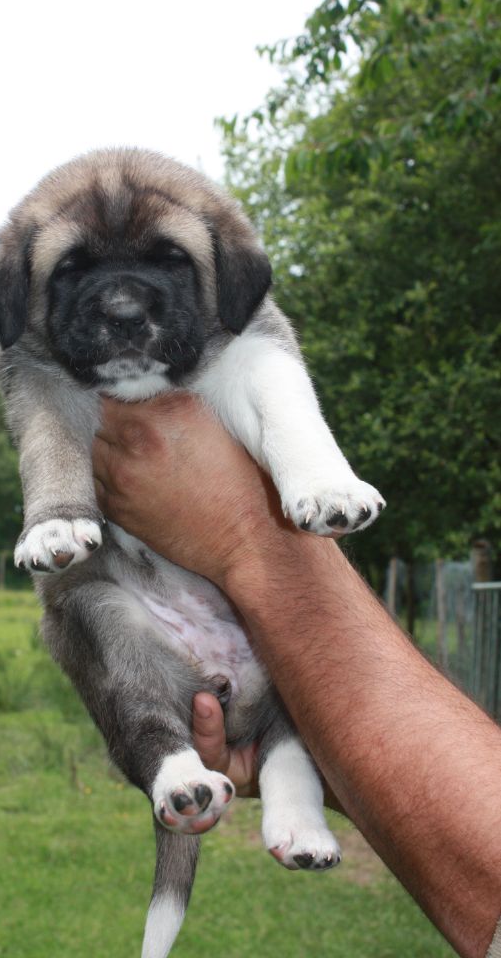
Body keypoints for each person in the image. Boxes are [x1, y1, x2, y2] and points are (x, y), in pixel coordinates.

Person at [91, 392, 501, 958]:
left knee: (281, 713)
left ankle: (289, 792)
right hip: (145, 596)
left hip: (205, 614)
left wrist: (248, 533)